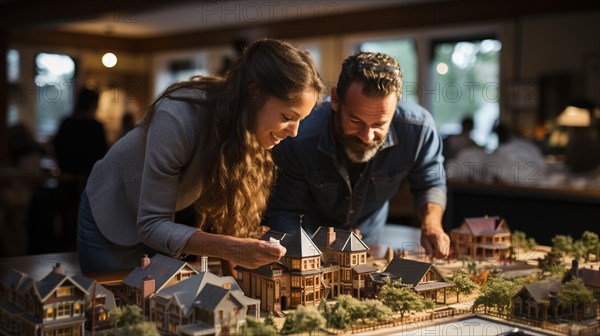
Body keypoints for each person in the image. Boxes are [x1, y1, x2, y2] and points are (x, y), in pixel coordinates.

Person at [77, 38, 325, 274]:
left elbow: (226, 219)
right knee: (118, 310)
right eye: (287, 117)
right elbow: (152, 225)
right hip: (113, 214)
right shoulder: (177, 118)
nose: (295, 132)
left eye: (301, 120)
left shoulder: (252, 125)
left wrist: (237, 271)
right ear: (254, 93)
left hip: (166, 224)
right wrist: (233, 248)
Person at [264, 51, 450, 259]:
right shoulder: (299, 135)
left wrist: (432, 225)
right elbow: (284, 211)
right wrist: (305, 258)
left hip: (368, 244)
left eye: (379, 124)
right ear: (335, 100)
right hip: (309, 242)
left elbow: (430, 183)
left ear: (395, 107)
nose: (366, 136)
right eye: (356, 121)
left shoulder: (419, 129)